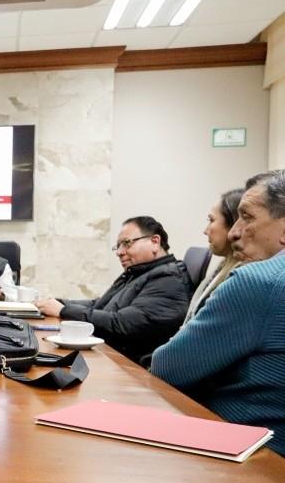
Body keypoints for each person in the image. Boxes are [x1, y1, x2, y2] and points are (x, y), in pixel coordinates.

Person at [151, 170, 285, 456]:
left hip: (250, 459)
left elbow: (167, 368)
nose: (234, 232)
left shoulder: (259, 281)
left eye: (247, 217)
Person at [36, 216, 192, 366]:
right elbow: (99, 304)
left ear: (155, 242)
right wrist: (57, 303)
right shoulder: (138, 273)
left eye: (127, 243)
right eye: (118, 246)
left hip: (131, 369)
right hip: (110, 357)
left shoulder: (168, 280)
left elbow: (122, 324)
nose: (119, 252)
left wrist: (63, 310)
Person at [183, 188, 244, 325]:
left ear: (234, 224)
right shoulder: (224, 264)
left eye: (211, 220)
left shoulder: (240, 278)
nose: (205, 231)